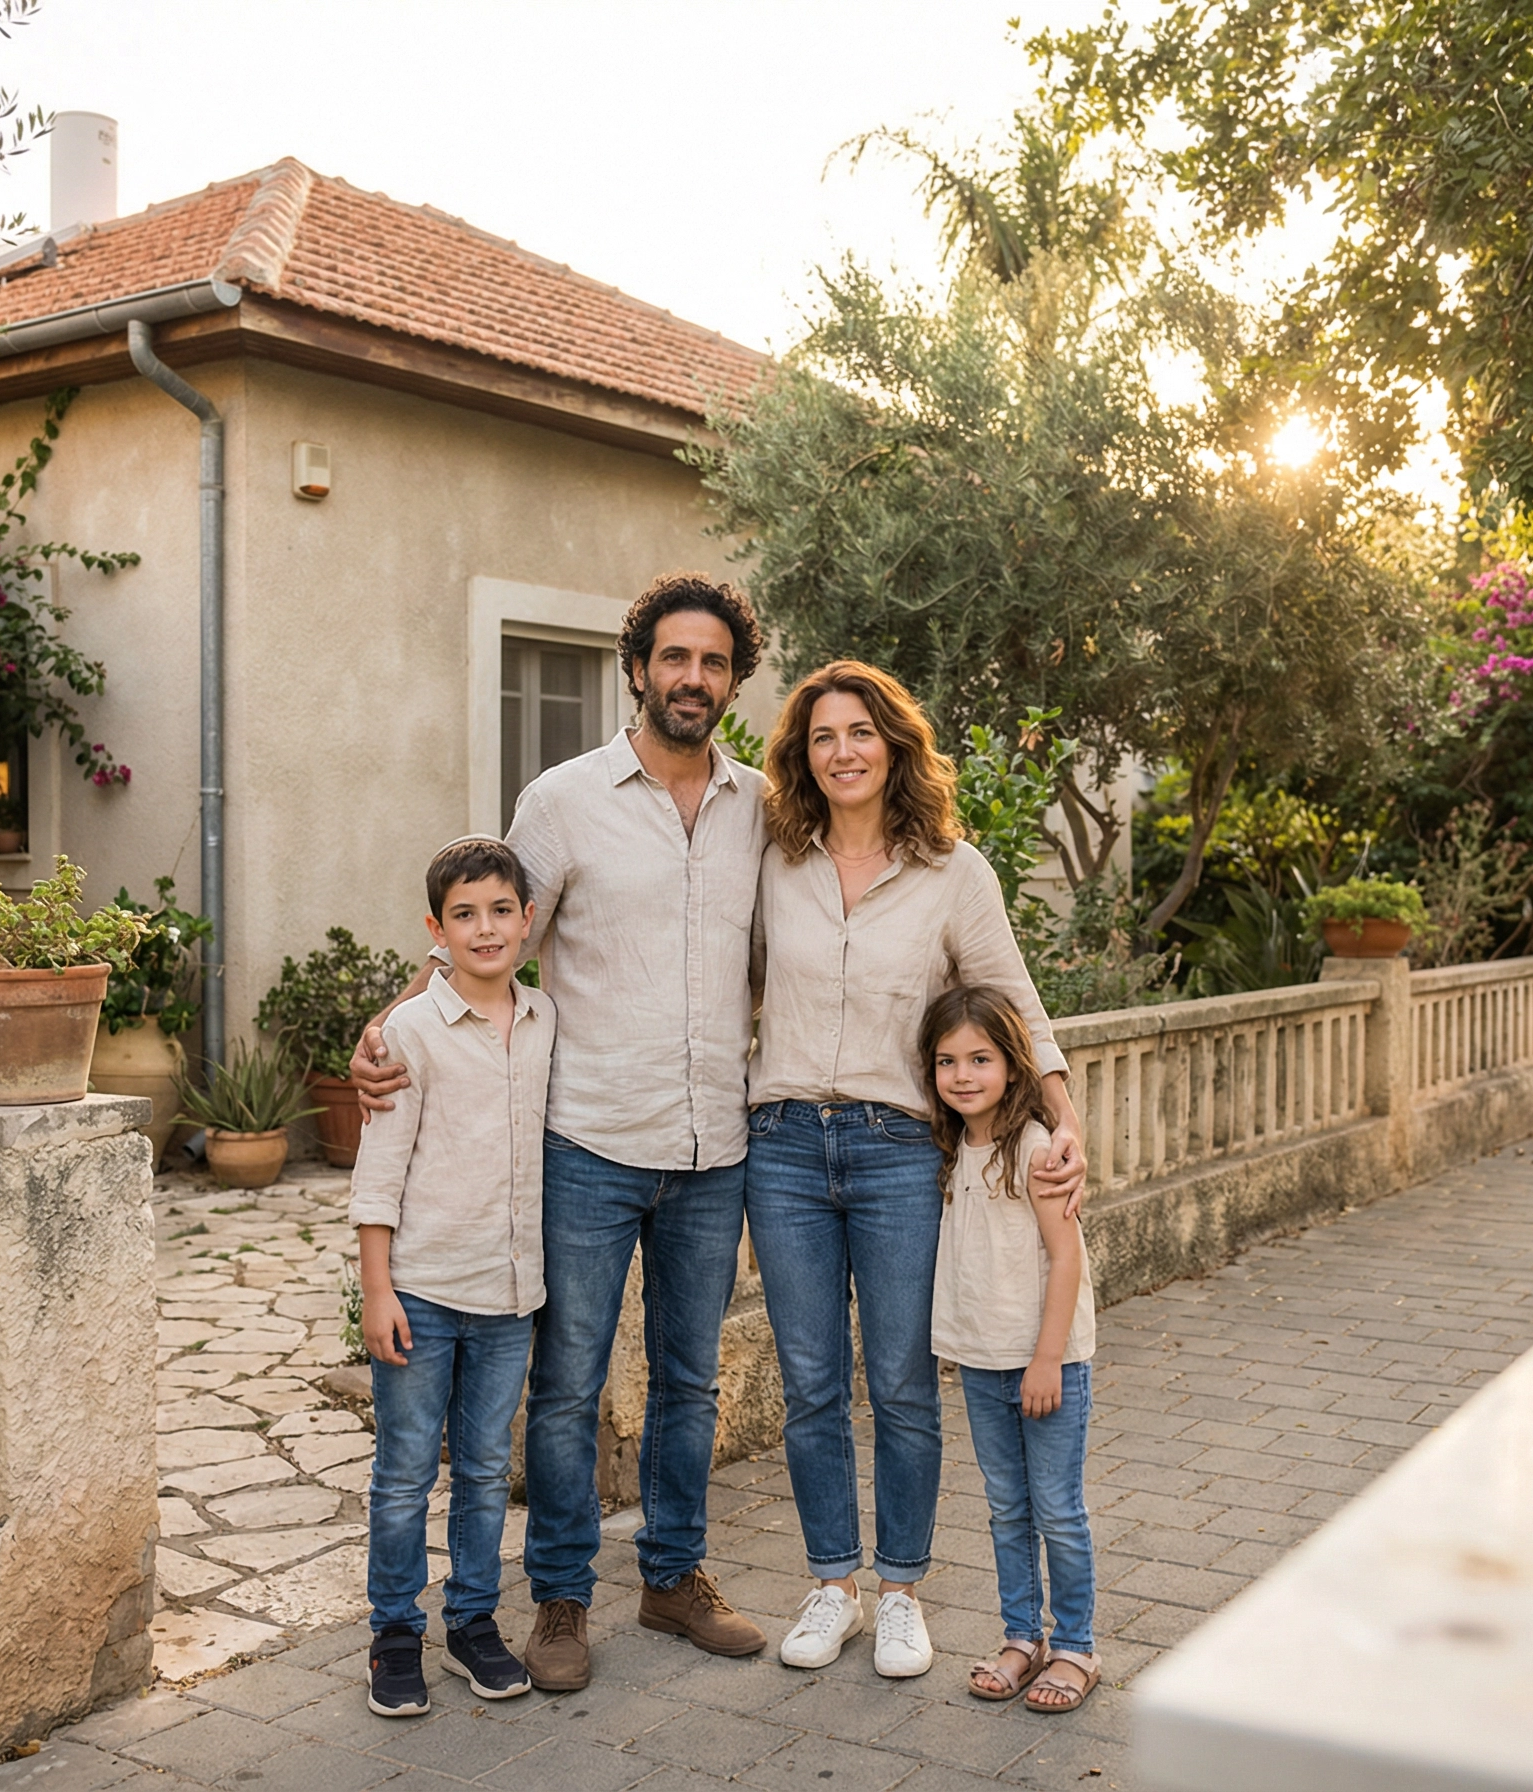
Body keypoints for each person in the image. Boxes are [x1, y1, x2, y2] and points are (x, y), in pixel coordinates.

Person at [352, 573, 771, 1691]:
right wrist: (390, 1027)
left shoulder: (763, 806)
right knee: (569, 1388)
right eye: (674, 657)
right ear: (637, 668)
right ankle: (561, 1604)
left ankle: (676, 1579)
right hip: (586, 1142)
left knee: (692, 1382)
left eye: (715, 661)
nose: (693, 678)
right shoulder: (564, 799)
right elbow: (479, 935)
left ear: (734, 678)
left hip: (712, 1148)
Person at [748, 660, 1086, 1682]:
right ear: (801, 757)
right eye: (822, 736)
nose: (843, 749)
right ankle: (830, 1586)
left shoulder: (953, 870)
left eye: (861, 731)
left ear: (894, 745)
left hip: (901, 1151)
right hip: (785, 1146)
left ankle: (899, 1591)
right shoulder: (774, 859)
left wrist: (1064, 1126)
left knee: (899, 1381)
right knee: (809, 1382)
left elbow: (1012, 1000)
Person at [354, 837, 556, 1718]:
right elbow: (378, 1172)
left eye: (500, 911)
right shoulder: (408, 1033)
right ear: (437, 930)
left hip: (510, 1296)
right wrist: (377, 1288)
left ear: (528, 921)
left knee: (480, 1470)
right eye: (465, 915)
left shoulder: (547, 1020)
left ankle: (472, 1620)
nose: (485, 929)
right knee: (404, 1472)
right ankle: (394, 1632)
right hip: (424, 1294)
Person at [923, 985, 1101, 1718]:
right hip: (983, 1362)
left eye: (980, 1059)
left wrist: (1047, 1358)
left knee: (1057, 1509)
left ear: (1013, 1062)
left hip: (1045, 1363)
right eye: (946, 1061)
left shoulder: (1035, 1148)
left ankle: (1077, 1646)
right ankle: (1021, 1638)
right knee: (1005, 1508)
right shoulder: (950, 1146)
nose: (963, 1075)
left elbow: (1066, 1259)